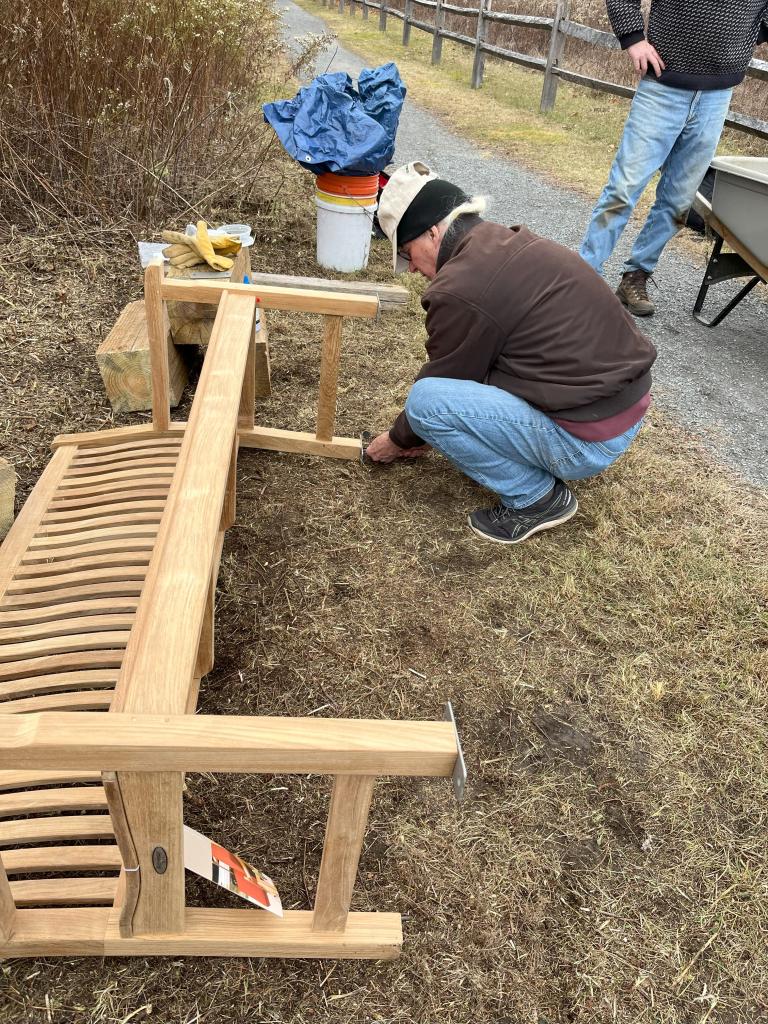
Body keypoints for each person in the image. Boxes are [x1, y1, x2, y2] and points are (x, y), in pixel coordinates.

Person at [364, 162, 657, 545]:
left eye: (408, 253)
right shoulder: (511, 241)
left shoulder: (460, 287)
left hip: (589, 441)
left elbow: (445, 382)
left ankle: (536, 498)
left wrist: (398, 439)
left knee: (426, 404)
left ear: (433, 232)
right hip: (623, 411)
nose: (412, 270)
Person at [579, 0, 768, 316]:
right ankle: (582, 278)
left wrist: (745, 36)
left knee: (678, 202)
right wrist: (634, 38)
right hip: (662, 86)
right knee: (623, 190)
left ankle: (636, 276)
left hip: (717, 96)